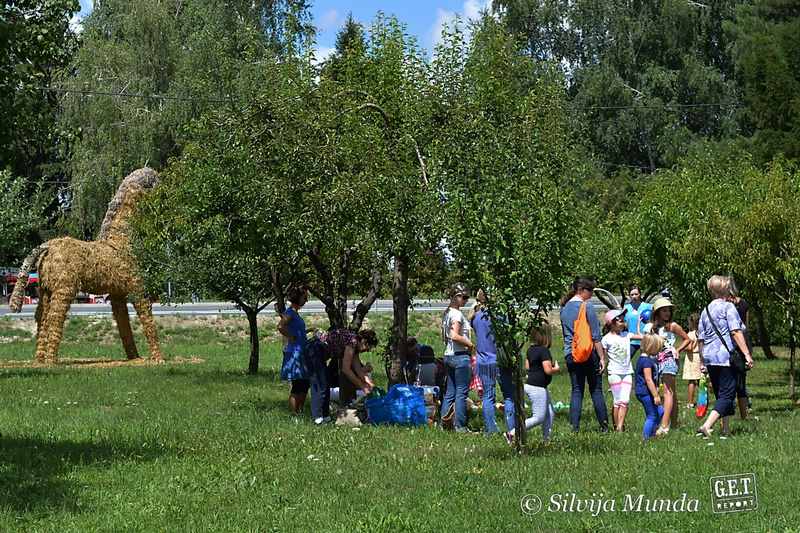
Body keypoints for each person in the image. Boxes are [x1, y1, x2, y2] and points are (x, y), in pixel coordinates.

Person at [696, 275, 755, 439]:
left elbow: (700, 338)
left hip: (710, 357)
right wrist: (747, 354)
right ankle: (707, 426)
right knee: (728, 394)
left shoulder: (705, 310)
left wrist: (702, 360)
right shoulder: (728, 308)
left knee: (721, 393)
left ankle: (725, 429)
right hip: (725, 357)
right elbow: (736, 332)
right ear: (725, 289)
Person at [559, 277, 609, 432]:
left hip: (571, 354)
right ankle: (604, 426)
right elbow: (595, 336)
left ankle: (574, 428)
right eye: (590, 291)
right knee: (596, 390)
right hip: (588, 354)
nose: (592, 294)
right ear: (581, 290)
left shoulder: (564, 308)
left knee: (576, 390)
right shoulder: (587, 307)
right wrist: (602, 357)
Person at [507, 323, 560, 444]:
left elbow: (527, 367)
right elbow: (547, 370)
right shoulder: (544, 351)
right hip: (538, 387)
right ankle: (512, 433)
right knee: (539, 417)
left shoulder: (530, 350)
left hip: (531, 384)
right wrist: (556, 368)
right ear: (546, 336)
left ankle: (547, 440)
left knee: (549, 413)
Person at [644, 297, 690, 433]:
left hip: (669, 359)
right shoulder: (650, 328)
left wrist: (678, 349)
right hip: (656, 360)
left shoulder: (672, 326)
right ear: (657, 312)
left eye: (669, 311)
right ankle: (674, 423)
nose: (667, 313)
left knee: (667, 392)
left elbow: (687, 339)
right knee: (671, 393)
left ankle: (664, 426)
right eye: (664, 311)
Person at [439, 283, 475, 432]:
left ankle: (444, 424)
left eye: (467, 297)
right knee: (461, 393)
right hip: (460, 357)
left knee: (450, 392)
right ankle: (460, 426)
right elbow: (454, 335)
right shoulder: (456, 314)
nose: (466, 300)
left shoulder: (447, 314)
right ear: (455, 297)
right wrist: (471, 345)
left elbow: (446, 337)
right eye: (463, 297)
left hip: (449, 356)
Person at [601, 308, 640, 432]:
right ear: (611, 323)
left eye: (623, 320)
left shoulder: (626, 335)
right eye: (619, 320)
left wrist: (642, 326)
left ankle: (619, 427)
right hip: (614, 373)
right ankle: (616, 426)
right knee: (617, 401)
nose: (623, 322)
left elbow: (641, 337)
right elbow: (604, 357)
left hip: (627, 372)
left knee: (625, 400)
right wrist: (602, 366)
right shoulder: (606, 339)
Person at [470, 289, 502, 434]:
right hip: (498, 359)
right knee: (508, 395)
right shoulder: (497, 316)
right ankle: (513, 427)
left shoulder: (475, 317)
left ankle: (490, 428)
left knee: (488, 396)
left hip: (482, 360)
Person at [278, 287, 310, 414]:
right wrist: (291, 337)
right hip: (295, 353)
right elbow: (280, 326)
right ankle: (294, 413)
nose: (306, 300)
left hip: (301, 351)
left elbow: (298, 331)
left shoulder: (295, 313)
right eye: (304, 297)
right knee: (297, 385)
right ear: (297, 297)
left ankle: (300, 411)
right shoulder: (290, 312)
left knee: (304, 383)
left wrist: (309, 331)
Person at [328, 328, 379, 407]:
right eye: (368, 347)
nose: (367, 350)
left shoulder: (354, 347)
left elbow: (359, 370)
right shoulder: (352, 342)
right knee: (321, 386)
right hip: (317, 351)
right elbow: (346, 369)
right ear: (363, 341)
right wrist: (362, 386)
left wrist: (371, 385)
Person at [636, 334, 665, 441]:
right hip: (645, 393)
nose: (659, 350)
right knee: (652, 415)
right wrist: (656, 395)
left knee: (660, 411)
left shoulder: (643, 359)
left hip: (646, 392)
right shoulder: (647, 362)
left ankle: (653, 432)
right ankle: (645, 438)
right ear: (651, 347)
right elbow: (648, 379)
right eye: (658, 348)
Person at [730, 282, 752, 417]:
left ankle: (729, 411)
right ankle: (744, 414)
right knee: (741, 381)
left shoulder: (728, 306)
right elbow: (746, 326)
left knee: (731, 380)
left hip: (733, 344)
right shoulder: (744, 304)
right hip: (743, 342)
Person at [623, 285, 653, 357]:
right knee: (625, 360)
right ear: (629, 296)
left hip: (646, 340)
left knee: (647, 362)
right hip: (632, 340)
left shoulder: (648, 306)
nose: (634, 296)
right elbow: (623, 323)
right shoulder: (626, 307)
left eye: (636, 294)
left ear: (640, 294)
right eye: (632, 294)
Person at [683, 313, 703, 409]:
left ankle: (690, 402)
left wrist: (683, 348)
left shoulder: (690, 334)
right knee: (701, 381)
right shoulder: (701, 333)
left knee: (691, 381)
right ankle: (703, 402)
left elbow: (689, 347)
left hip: (692, 358)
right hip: (700, 357)